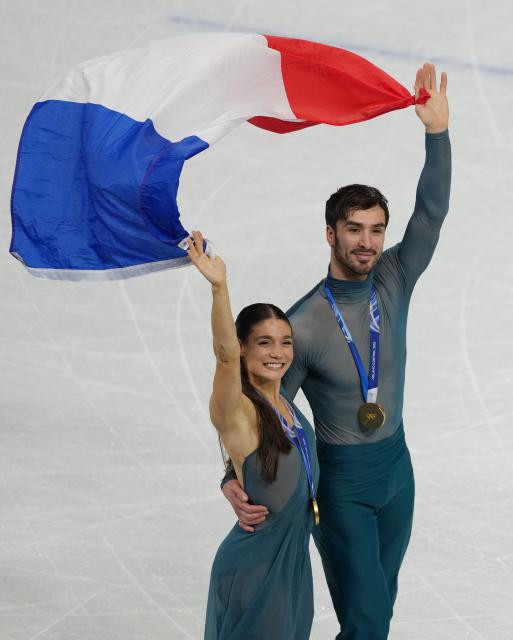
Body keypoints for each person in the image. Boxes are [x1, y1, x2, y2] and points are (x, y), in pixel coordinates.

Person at [221, 63, 451, 639]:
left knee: (376, 615)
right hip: (342, 483)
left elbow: (431, 213)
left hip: (398, 471)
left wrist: (437, 134)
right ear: (331, 234)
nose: (367, 242)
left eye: (376, 230)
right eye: (354, 229)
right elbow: (264, 403)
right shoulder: (303, 323)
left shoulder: (395, 277)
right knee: (368, 619)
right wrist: (231, 471)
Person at [186, 230, 320, 640]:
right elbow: (224, 357)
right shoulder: (239, 412)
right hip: (256, 567)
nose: (277, 352)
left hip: (293, 563)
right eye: (263, 342)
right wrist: (220, 288)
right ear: (244, 348)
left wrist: (229, 479)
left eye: (284, 342)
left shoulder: (287, 407)